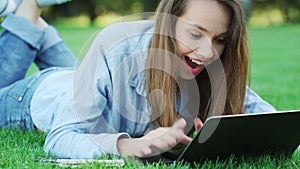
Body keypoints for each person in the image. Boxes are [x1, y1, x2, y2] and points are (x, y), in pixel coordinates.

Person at [0, 0, 276, 159]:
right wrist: (129, 145)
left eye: (220, 40)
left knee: (82, 78)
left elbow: (270, 120)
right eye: (195, 34)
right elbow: (61, 136)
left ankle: (37, 27)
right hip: (36, 96)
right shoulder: (118, 46)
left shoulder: (215, 67)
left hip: (79, 80)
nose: (207, 53)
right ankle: (30, 8)